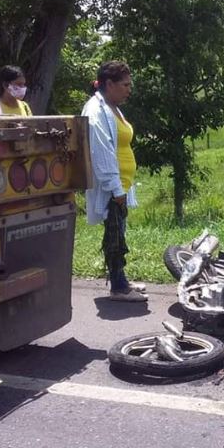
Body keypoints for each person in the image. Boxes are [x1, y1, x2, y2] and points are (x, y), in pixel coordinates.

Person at [82, 60, 146, 302]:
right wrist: (115, 187)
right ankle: (118, 287)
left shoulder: (112, 107)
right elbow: (101, 152)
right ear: (109, 84)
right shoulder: (95, 110)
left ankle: (122, 280)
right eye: (125, 84)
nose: (129, 89)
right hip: (112, 187)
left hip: (121, 185)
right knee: (114, 237)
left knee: (118, 232)